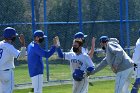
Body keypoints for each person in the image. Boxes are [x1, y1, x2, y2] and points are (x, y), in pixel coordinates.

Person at [0, 27, 26, 93]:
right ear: (11, 37)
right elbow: (21, 56)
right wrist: (23, 44)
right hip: (7, 72)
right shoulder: (9, 47)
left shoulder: (0, 44)